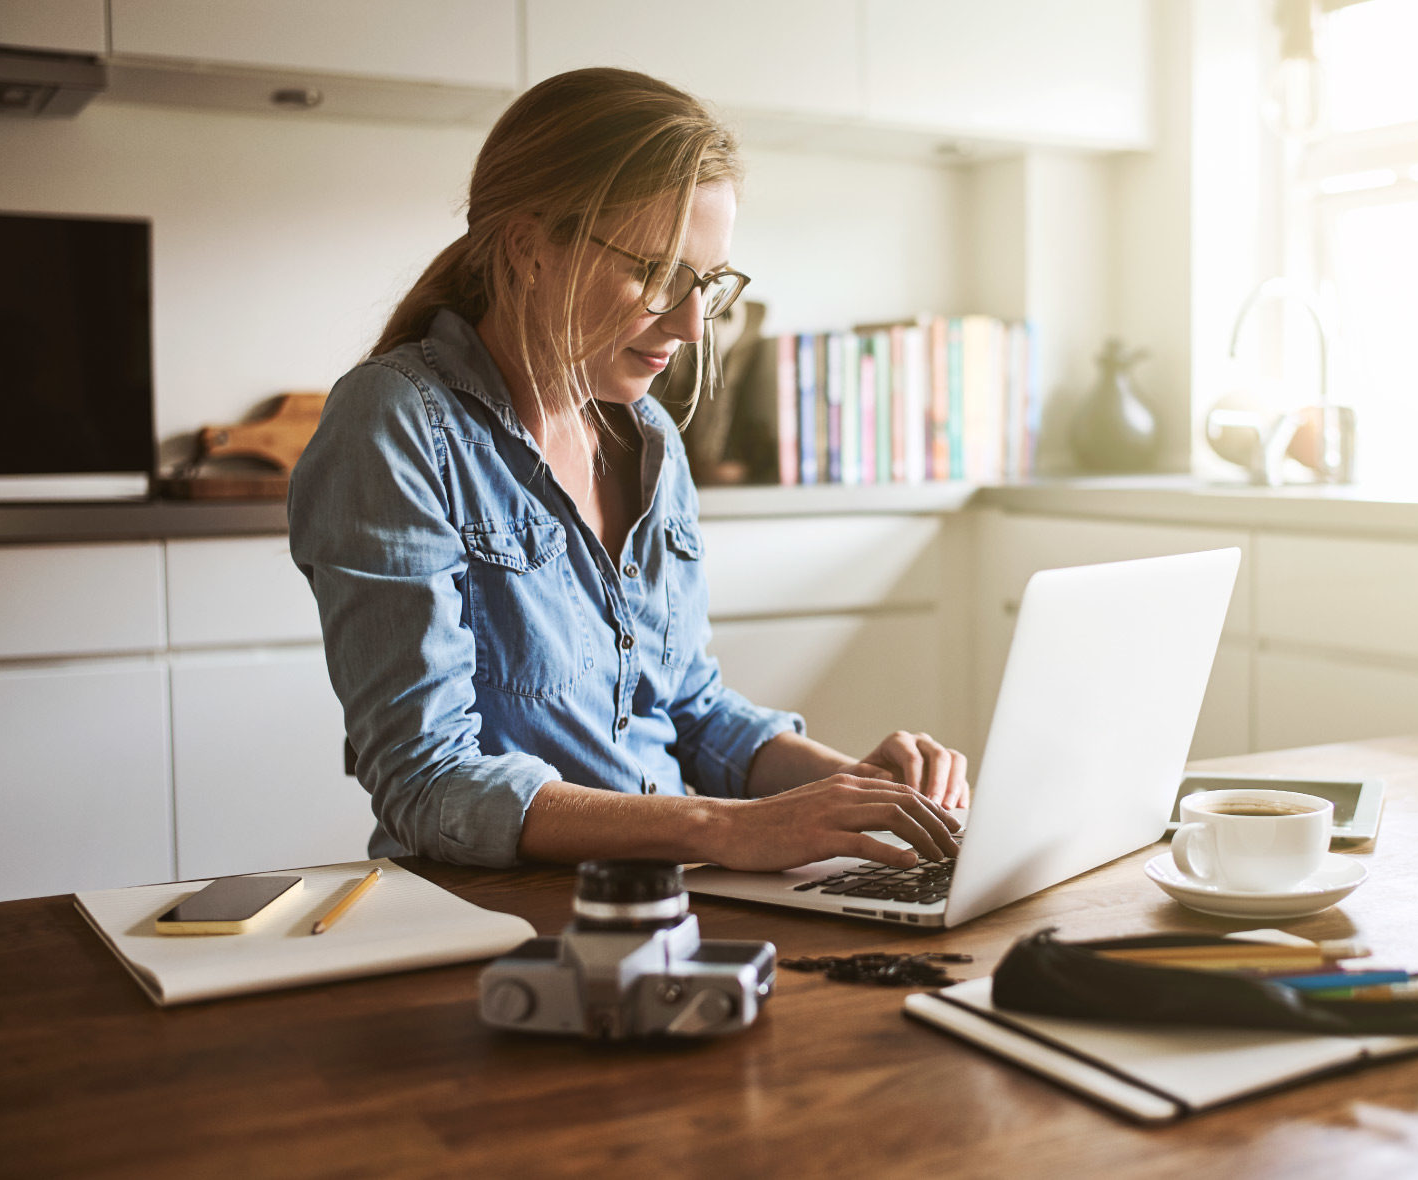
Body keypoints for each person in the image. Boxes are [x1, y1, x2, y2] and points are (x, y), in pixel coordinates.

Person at [289, 68, 968, 875]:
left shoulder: (649, 438)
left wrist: (861, 791)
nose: (689, 324)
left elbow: (689, 709)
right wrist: (724, 830)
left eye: (707, 285)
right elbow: (428, 780)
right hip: (495, 915)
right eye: (656, 275)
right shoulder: (397, 423)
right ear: (529, 249)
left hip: (674, 896)